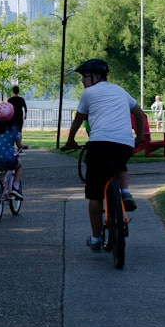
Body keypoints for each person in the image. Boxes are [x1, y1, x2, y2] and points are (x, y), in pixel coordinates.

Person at [60, 58, 144, 253]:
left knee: (95, 193)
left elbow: (78, 119)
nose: (82, 81)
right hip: (124, 143)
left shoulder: (89, 93)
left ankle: (96, 238)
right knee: (120, 164)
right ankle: (125, 192)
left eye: (85, 77)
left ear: (97, 77)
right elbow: (139, 113)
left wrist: (70, 141)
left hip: (99, 144)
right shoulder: (121, 91)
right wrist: (138, 138)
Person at [0, 101, 28, 200]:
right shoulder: (13, 130)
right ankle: (15, 188)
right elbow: (19, 144)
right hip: (8, 159)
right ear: (11, 115)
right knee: (19, 166)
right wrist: (24, 146)